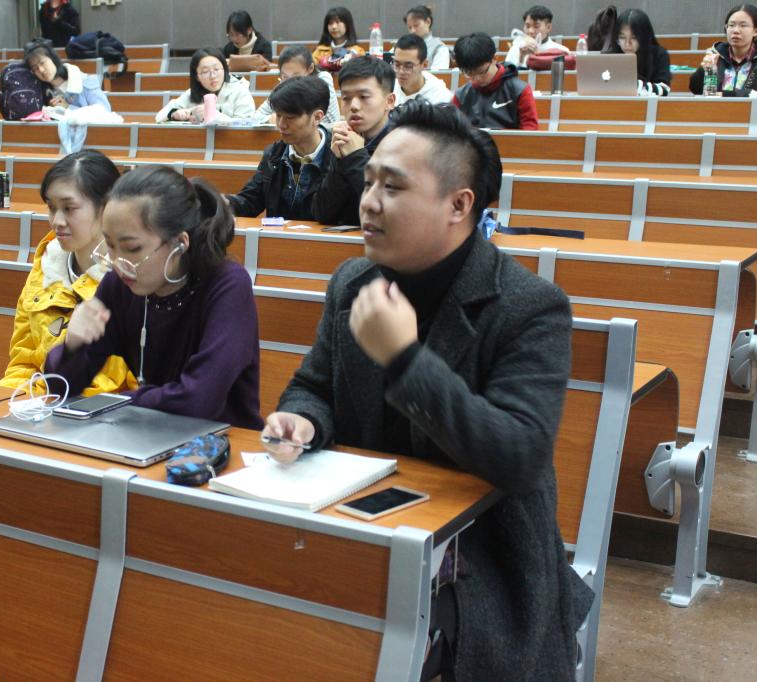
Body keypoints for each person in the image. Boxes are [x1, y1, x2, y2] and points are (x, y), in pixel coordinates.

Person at [261, 100, 592, 681]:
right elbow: (313, 386)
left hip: (482, 560)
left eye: (392, 187)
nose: (368, 201)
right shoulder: (354, 283)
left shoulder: (528, 306)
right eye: (368, 181)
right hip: (365, 528)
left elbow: (518, 456)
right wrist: (303, 421)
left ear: (458, 205)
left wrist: (405, 360)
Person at [44, 165, 262, 430]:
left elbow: (198, 400)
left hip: (222, 441)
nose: (118, 262)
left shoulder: (227, 285)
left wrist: (113, 403)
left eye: (132, 248)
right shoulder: (119, 285)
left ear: (180, 243)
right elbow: (61, 387)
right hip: (146, 433)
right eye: (110, 245)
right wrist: (72, 347)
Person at [1, 151, 135, 395]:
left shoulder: (132, 280)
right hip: (40, 404)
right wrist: (8, 403)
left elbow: (141, 388)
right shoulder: (46, 268)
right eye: (52, 208)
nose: (57, 221)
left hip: (104, 412)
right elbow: (23, 363)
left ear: (106, 207)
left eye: (69, 208)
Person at [229, 77, 335, 221]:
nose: (281, 125)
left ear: (317, 117)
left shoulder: (338, 155)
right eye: (278, 116)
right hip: (277, 235)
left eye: (290, 118)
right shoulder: (274, 154)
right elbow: (250, 201)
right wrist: (221, 203)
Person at [312, 56, 396, 226]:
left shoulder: (406, 144)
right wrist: (339, 162)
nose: (354, 106)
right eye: (346, 98)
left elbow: (389, 213)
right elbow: (322, 213)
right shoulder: (342, 139)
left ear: (389, 101)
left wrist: (355, 157)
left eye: (364, 97)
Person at [690, 3, 757, 98]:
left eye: (743, 25)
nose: (736, 30)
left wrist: (726, 95)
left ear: (756, 31)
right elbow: (698, 90)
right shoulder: (716, 54)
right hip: (715, 107)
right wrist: (703, 70)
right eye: (731, 25)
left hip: (751, 107)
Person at [452, 32, 538, 130]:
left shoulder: (519, 90)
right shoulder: (461, 95)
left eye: (482, 72)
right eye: (469, 74)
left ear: (494, 58)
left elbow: (530, 131)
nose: (477, 79)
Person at [156, 48, 255, 123]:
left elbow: (247, 124)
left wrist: (215, 115)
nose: (213, 76)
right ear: (197, 77)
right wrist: (174, 114)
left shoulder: (240, 91)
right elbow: (159, 116)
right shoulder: (191, 93)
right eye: (205, 71)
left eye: (216, 69)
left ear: (224, 70)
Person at [253, 46, 341, 126]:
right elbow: (255, 117)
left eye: (296, 77)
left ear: (310, 68)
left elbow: (333, 122)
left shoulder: (322, 79)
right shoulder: (283, 84)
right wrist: (269, 119)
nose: (290, 83)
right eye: (285, 76)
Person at [617, 9, 671, 96]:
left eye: (634, 37)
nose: (627, 44)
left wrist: (631, 83)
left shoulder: (659, 54)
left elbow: (664, 90)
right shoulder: (613, 53)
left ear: (644, 37)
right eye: (622, 37)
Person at [392, 34, 452, 105]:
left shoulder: (440, 97)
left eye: (408, 66)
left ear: (424, 65)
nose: (401, 71)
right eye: (397, 65)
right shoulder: (389, 89)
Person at [505, 5, 570, 68]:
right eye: (527, 26)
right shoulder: (515, 48)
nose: (530, 31)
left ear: (548, 27)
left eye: (536, 26)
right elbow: (508, 73)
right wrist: (521, 57)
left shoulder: (561, 52)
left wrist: (538, 56)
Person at [312, 7, 364, 72]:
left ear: (347, 24)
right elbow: (311, 71)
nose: (334, 27)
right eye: (330, 23)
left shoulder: (357, 51)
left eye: (338, 22)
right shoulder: (319, 51)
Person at [403, 5, 450, 70]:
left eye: (416, 25)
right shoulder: (404, 45)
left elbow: (438, 74)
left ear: (428, 22)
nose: (412, 31)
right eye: (409, 27)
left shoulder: (440, 48)